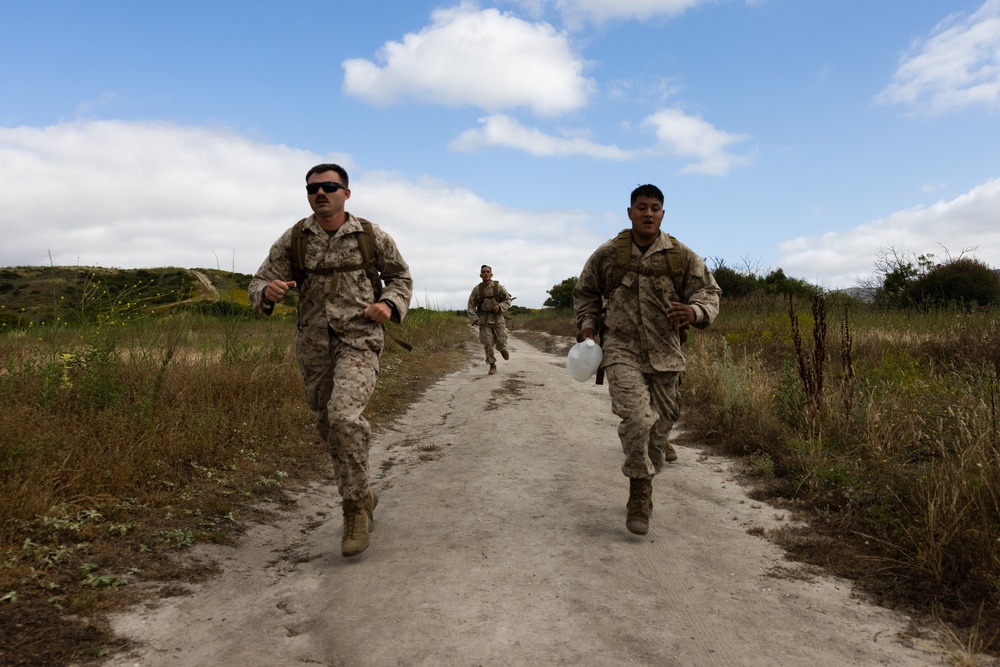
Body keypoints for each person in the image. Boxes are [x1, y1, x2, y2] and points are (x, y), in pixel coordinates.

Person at [249, 163, 413, 557]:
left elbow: (401, 278)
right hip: (313, 346)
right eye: (313, 189)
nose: (320, 193)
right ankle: (364, 491)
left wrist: (388, 304)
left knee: (343, 418)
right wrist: (267, 293)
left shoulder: (371, 237)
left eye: (329, 187)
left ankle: (354, 509)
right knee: (328, 426)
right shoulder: (294, 240)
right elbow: (257, 282)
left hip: (359, 339)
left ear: (346, 193)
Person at [573, 184, 721, 536]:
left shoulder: (680, 255)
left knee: (660, 429)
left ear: (663, 214)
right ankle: (638, 491)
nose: (648, 213)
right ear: (629, 212)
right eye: (642, 207)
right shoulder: (609, 254)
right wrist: (588, 325)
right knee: (638, 418)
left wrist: (696, 311)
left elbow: (709, 292)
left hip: (667, 355)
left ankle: (651, 464)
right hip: (621, 351)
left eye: (655, 208)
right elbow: (585, 293)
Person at [467, 265, 513, 375]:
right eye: (484, 272)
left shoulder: (498, 287)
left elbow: (507, 300)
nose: (486, 273)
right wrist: (474, 318)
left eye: (488, 271)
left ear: (491, 274)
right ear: (480, 275)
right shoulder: (477, 290)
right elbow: (470, 305)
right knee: (487, 343)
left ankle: (502, 348)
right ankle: (492, 365)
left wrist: (500, 306)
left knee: (501, 341)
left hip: (498, 318)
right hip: (484, 320)